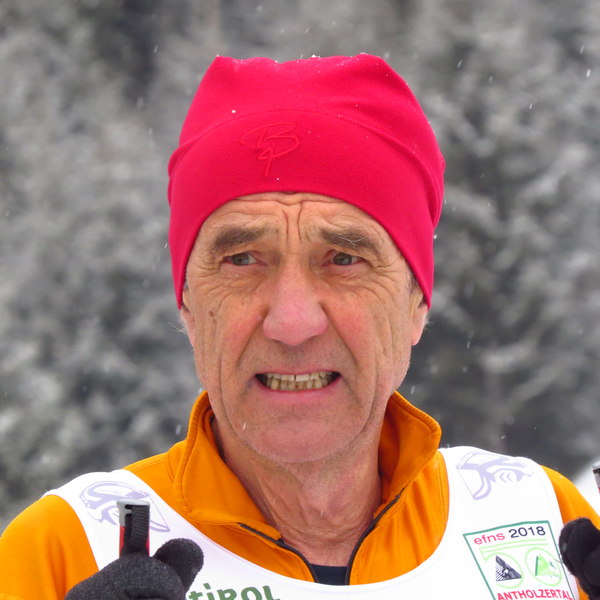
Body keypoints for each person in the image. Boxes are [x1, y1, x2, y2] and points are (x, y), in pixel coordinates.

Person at [0, 54, 598, 600]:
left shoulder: (542, 519)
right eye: (242, 259)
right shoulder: (67, 548)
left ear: (417, 302)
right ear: (186, 303)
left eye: (344, 259)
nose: (292, 323)